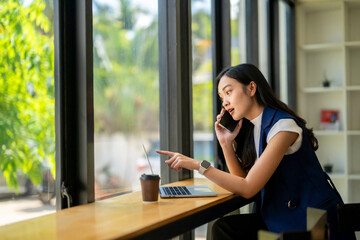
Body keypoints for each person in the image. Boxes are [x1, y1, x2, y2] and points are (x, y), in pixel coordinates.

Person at [156, 63, 356, 240]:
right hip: (280, 217)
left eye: (228, 92)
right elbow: (241, 180)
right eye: (221, 96)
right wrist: (226, 143)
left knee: (227, 230)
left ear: (251, 88)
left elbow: (248, 187)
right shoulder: (254, 128)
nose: (224, 102)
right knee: (224, 228)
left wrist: (197, 165)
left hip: (311, 222)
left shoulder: (283, 126)